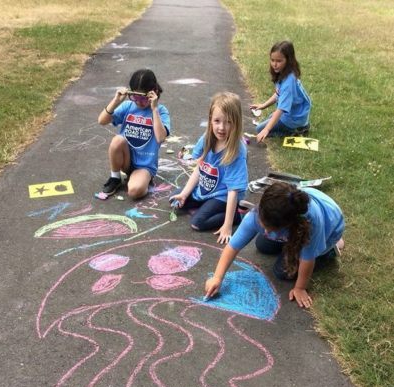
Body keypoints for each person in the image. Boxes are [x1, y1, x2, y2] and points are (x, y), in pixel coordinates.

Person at [205, 182, 345, 308]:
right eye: (263, 226)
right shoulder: (257, 215)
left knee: (282, 272)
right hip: (293, 220)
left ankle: (330, 250)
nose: (265, 231)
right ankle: (287, 244)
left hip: (330, 228)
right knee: (263, 245)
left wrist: (300, 287)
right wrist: (217, 277)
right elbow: (233, 246)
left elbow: (307, 259)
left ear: (287, 225)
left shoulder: (308, 225)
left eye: (271, 229)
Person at [170, 92, 248, 244]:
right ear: (210, 120)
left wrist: (227, 225)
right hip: (206, 189)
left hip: (223, 196)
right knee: (175, 200)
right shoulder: (207, 138)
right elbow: (200, 169)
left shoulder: (236, 151)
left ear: (236, 123)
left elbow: (233, 191)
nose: (221, 127)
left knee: (197, 223)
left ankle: (236, 216)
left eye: (228, 122)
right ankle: (202, 202)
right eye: (217, 121)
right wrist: (185, 194)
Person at [98, 69, 170, 199]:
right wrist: (115, 101)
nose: (138, 102)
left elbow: (160, 137)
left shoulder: (161, 111)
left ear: (154, 92)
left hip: (145, 165)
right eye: (134, 97)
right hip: (127, 160)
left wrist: (154, 109)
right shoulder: (128, 106)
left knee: (134, 192)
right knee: (117, 140)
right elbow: (101, 121)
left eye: (142, 98)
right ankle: (115, 177)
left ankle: (142, 179)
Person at [250, 41, 311, 143]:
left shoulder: (288, 82)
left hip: (294, 118)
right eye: (272, 60)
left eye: (279, 61)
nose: (274, 64)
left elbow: (281, 109)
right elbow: (278, 94)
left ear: (288, 60)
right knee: (271, 118)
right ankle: (299, 125)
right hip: (295, 114)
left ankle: (296, 130)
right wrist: (263, 105)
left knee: (259, 129)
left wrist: (266, 129)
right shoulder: (284, 73)